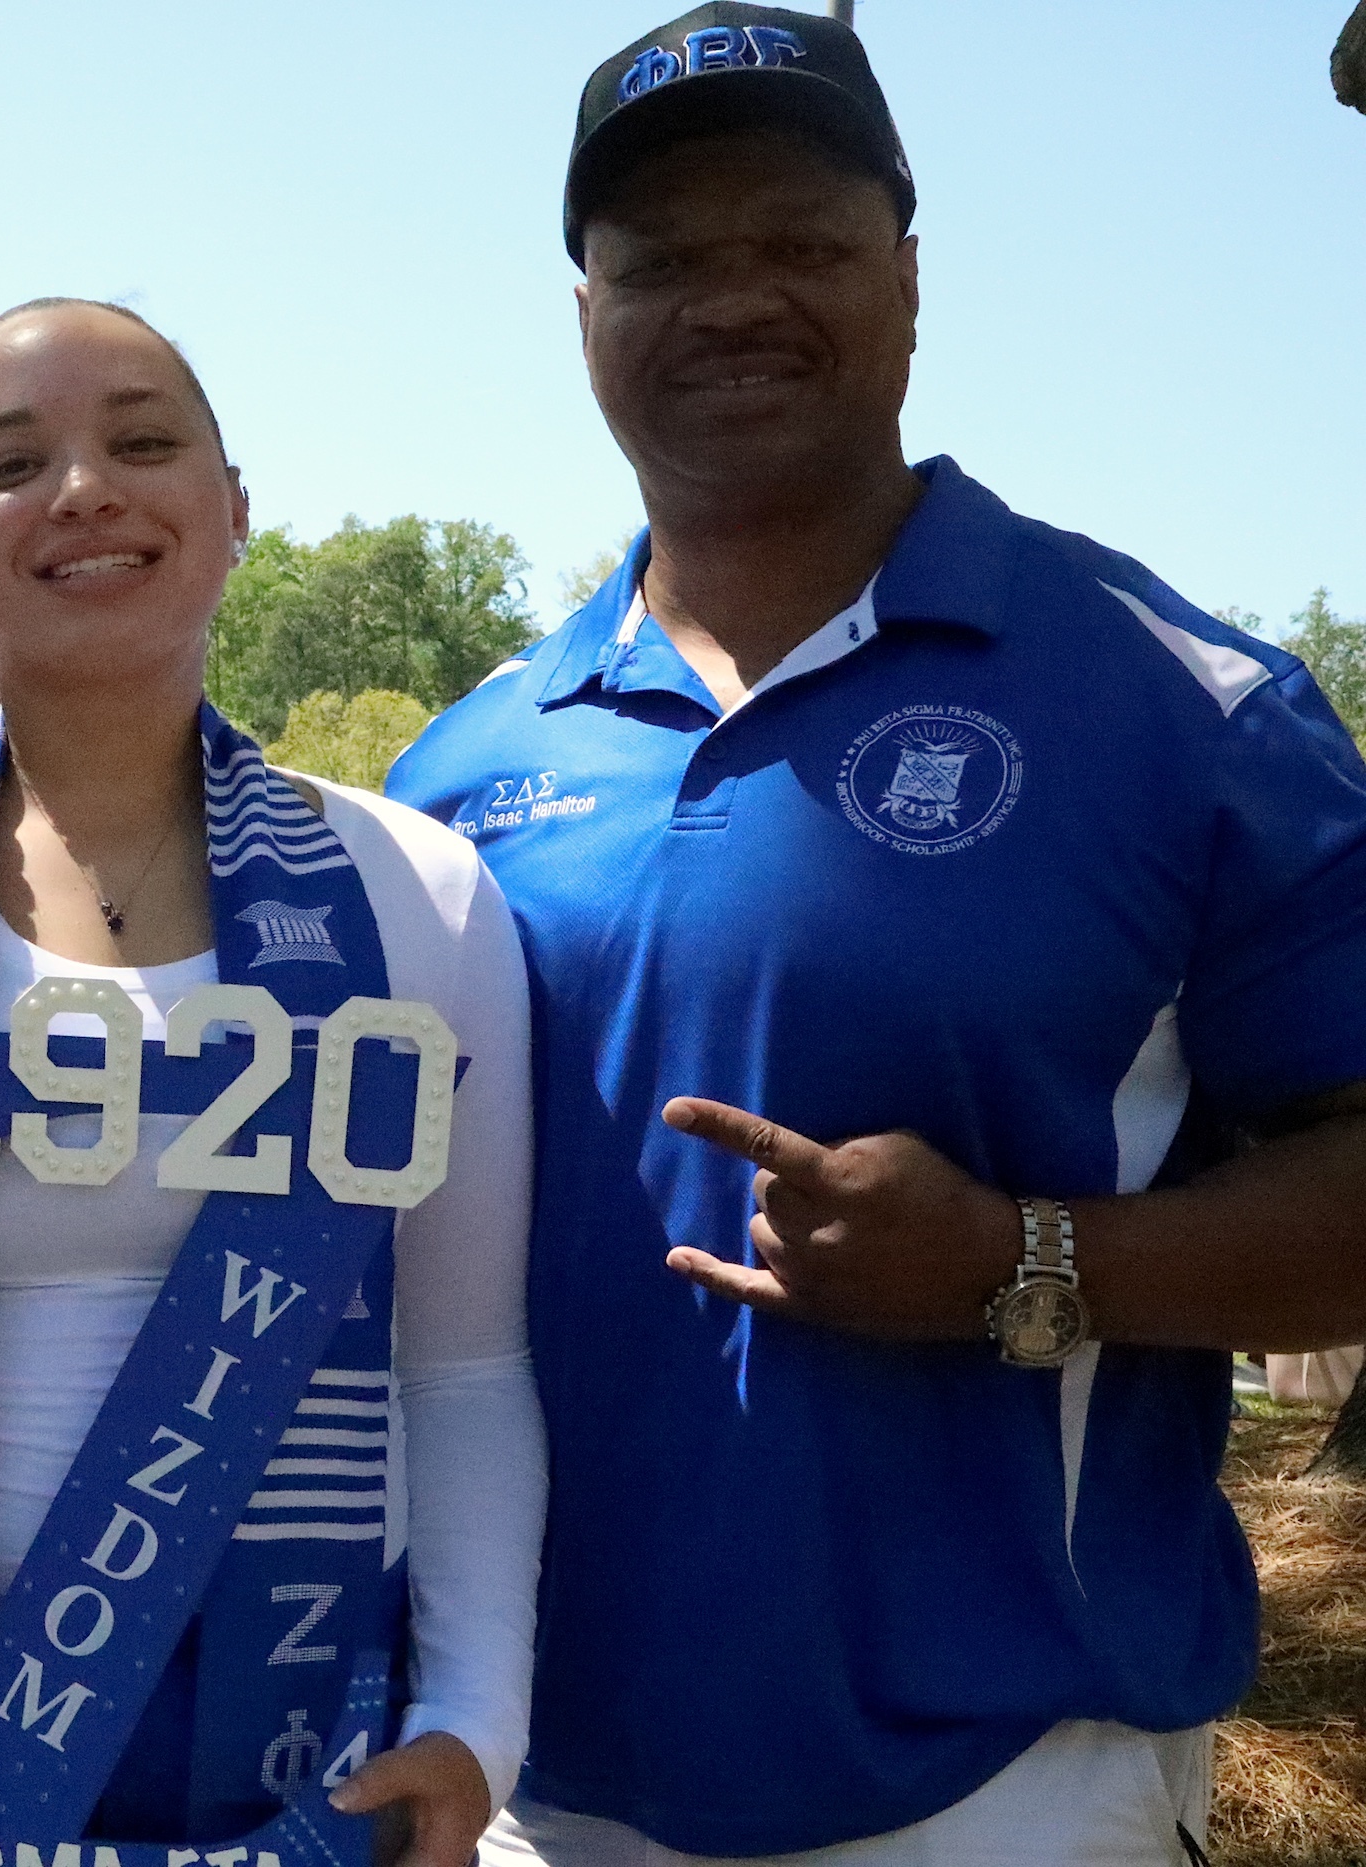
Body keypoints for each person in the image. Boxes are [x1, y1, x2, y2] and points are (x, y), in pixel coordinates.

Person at [382, 8, 1366, 1861]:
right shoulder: (464, 766)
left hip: (1004, 1787)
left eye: (801, 243)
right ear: (580, 314)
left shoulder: (1189, 713)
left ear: (909, 279)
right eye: (660, 259)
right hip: (521, 1789)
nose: (729, 300)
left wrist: (1031, 1258)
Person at [0, 298, 544, 1867]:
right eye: (12, 462)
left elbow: (462, 1367)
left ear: (237, 508)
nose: (83, 490)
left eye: (142, 441)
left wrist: (475, 1726)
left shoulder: (422, 895)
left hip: (309, 1786)